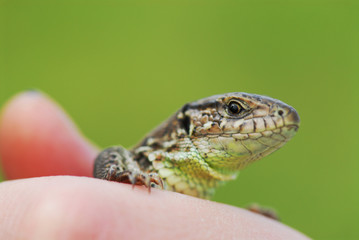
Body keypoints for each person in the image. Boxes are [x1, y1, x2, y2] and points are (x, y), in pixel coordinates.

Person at [0, 91, 310, 240]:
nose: (280, 119)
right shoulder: (133, 165)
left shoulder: (191, 190)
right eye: (234, 109)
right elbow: (106, 158)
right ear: (191, 123)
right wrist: (119, 175)